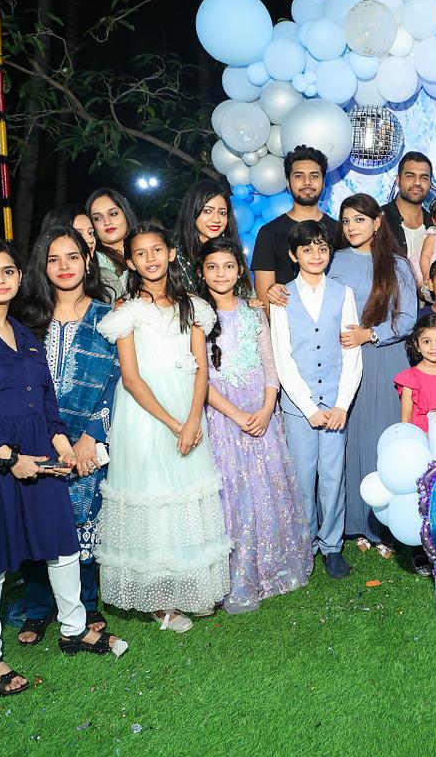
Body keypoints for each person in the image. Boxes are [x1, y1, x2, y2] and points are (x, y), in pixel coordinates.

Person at [0, 239, 125, 697]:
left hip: (39, 457)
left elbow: (46, 403)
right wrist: (7, 457)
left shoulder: (25, 333)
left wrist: (62, 446)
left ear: (20, 277)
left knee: (61, 542)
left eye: (8, 271)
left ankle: (74, 628)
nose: (0, 280)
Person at [95, 223, 231, 633]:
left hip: (188, 407)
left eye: (157, 250)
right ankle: (158, 599)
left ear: (171, 253)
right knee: (152, 494)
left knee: (185, 494)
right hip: (145, 414)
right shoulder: (127, 311)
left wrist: (192, 420)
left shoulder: (193, 306)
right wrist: (174, 424)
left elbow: (201, 368)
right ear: (131, 262)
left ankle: (190, 586)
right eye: (140, 253)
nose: (150, 258)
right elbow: (131, 378)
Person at [12, 225, 119, 645]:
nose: (64, 266)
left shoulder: (108, 318)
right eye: (53, 259)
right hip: (34, 438)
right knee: (36, 518)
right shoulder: (26, 321)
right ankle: (38, 607)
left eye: (72, 256)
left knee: (84, 516)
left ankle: (87, 604)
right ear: (42, 266)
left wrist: (91, 437)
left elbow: (117, 381)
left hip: (88, 439)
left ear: (87, 260)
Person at [197, 236, 312, 613]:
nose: (221, 274)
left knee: (267, 489)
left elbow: (270, 364)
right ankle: (238, 574)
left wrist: (266, 408)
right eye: (212, 267)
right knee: (233, 492)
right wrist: (235, 414)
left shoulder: (253, 311)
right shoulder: (197, 316)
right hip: (222, 418)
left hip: (262, 415)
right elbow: (199, 378)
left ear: (239, 271)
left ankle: (273, 567)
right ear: (201, 272)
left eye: (228, 266)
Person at [269, 220, 363, 579]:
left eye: (322, 248)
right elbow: (282, 357)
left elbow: (352, 350)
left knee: (333, 476)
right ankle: (303, 545)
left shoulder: (343, 293)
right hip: (299, 406)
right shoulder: (283, 297)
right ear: (294, 255)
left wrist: (342, 403)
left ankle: (332, 546)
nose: (315, 255)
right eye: (307, 249)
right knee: (303, 477)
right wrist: (308, 408)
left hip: (335, 400)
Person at [329, 193, 418, 559]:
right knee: (350, 440)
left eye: (359, 220)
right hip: (343, 360)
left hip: (385, 357)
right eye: (346, 221)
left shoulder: (397, 265)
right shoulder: (332, 261)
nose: (351, 227)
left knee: (384, 437)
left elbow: (408, 317)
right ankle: (355, 523)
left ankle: (386, 523)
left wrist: (370, 334)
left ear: (378, 222)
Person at [253, 145, 338, 306]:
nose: (307, 182)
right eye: (299, 176)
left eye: (314, 176)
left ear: (323, 182)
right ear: (288, 182)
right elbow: (265, 298)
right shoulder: (269, 233)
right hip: (286, 319)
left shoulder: (339, 230)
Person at [173, 178, 235, 291]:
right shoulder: (175, 254)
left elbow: (244, 293)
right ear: (192, 212)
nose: (216, 219)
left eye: (222, 213)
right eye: (207, 211)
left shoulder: (232, 250)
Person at [382, 151, 434, 279]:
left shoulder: (435, 224)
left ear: (430, 183)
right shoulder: (379, 220)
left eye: (424, 178)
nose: (417, 182)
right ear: (398, 180)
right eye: (410, 176)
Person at [87, 188, 138, 301]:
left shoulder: (148, 248)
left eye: (113, 214)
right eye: (98, 218)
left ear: (126, 214)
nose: (107, 222)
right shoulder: (94, 262)